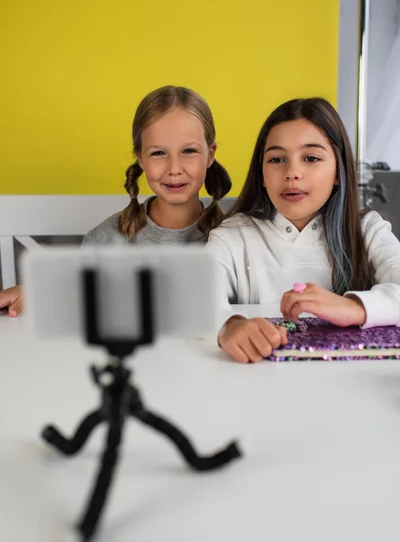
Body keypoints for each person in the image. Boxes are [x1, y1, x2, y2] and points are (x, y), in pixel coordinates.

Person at [0, 85, 232, 316]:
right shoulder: (106, 239)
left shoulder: (236, 241)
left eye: (189, 151)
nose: (174, 169)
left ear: (210, 154)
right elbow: (76, 296)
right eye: (158, 153)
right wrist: (37, 293)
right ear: (140, 157)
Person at [208, 98, 400, 364]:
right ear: (261, 175)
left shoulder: (367, 231)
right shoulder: (231, 237)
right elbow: (199, 302)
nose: (292, 172)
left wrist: (356, 307)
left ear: (338, 171)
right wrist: (229, 326)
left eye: (311, 158)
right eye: (277, 159)